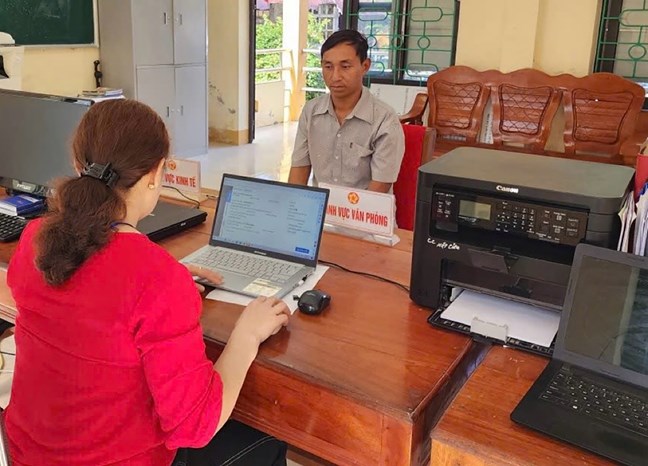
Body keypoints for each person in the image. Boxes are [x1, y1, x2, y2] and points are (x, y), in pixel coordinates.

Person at [5, 99, 291, 466]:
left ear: (77, 166)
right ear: (157, 173)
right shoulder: (157, 279)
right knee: (269, 442)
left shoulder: (34, 238)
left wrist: (167, 285)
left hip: (27, 454)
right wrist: (247, 335)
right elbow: (195, 427)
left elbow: (92, 297)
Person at [288, 29, 405, 193]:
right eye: (328, 66)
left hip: (366, 207)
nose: (335, 76)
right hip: (321, 207)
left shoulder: (384, 119)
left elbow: (377, 191)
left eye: (345, 66)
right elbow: (298, 173)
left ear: (365, 66)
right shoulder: (311, 112)